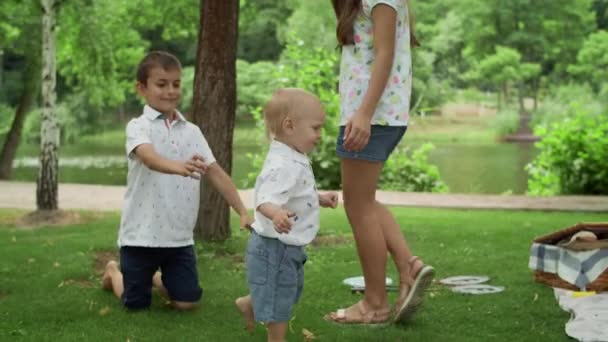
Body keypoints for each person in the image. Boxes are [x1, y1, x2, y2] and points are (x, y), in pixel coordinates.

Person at [101, 51, 253, 311]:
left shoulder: (192, 131)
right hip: (140, 236)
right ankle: (114, 273)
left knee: (186, 303)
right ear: (142, 88)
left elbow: (215, 172)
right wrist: (178, 166)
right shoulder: (138, 126)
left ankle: (154, 277)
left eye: (176, 84)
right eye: (161, 84)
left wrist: (242, 210)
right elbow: (149, 157)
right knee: (135, 305)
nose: (170, 91)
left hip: (178, 237)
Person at [326, 0, 435, 325]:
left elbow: (385, 55)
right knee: (364, 202)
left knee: (358, 207)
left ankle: (375, 304)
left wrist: (363, 113)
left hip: (372, 116)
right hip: (372, 115)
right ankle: (408, 266)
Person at [235, 88, 339, 342]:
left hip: (285, 246)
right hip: (275, 247)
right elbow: (264, 200)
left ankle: (249, 303)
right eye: (315, 128)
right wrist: (276, 213)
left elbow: (295, 194)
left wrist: (318, 199)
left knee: (286, 290)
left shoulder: (292, 156)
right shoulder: (284, 164)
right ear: (289, 125)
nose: (319, 135)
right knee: (279, 299)